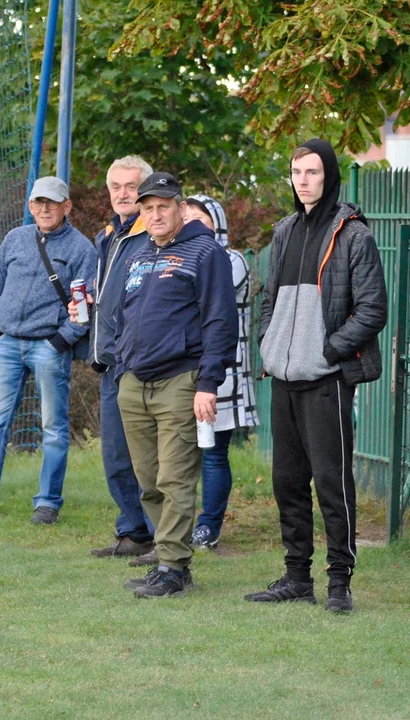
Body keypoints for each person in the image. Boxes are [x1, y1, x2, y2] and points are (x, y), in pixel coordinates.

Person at [247, 139, 388, 614]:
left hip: (326, 380)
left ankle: (339, 582)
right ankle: (295, 577)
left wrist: (328, 350)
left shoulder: (352, 236)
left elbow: (373, 310)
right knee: (287, 481)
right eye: (296, 172)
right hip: (284, 380)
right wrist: (269, 343)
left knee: (332, 483)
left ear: (328, 176)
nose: (303, 180)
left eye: (312, 172)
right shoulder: (284, 231)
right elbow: (268, 300)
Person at [0, 176, 96, 524]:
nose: (44, 208)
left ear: (66, 207)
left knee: (53, 428)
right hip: (6, 344)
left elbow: (85, 305)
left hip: (49, 346)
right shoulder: (15, 239)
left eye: (52, 203)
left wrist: (61, 340)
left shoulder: (82, 249)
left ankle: (47, 503)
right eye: (38, 202)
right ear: (30, 206)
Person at [109, 172, 236, 598]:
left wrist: (208, 383)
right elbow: (123, 312)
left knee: (175, 478)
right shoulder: (138, 253)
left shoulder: (206, 253)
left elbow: (220, 320)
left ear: (181, 207)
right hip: (133, 381)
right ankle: (168, 557)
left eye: (164, 206)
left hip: (181, 381)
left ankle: (173, 567)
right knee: (147, 479)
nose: (156, 214)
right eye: (148, 208)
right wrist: (122, 364)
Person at [86, 156, 160, 563]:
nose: (123, 194)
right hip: (109, 362)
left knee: (148, 458)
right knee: (115, 456)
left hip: (140, 364)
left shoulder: (154, 233)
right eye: (115, 186)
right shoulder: (108, 236)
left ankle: (161, 537)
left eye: (131, 186)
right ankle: (132, 531)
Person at [182, 194, 259, 551]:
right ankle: (173, 524)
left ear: (218, 224)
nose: (194, 226)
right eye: (188, 218)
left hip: (221, 375)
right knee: (178, 453)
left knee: (212, 454)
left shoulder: (233, 261)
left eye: (201, 219)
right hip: (182, 371)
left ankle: (208, 526)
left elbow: (198, 299)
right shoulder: (178, 256)